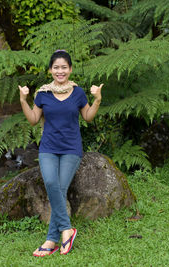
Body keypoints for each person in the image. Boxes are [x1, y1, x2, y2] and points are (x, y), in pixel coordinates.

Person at [19, 50, 103, 257]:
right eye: (56, 67)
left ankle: (50, 240)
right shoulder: (43, 94)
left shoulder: (77, 93)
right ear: (50, 70)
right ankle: (67, 230)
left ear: (70, 69)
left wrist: (97, 100)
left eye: (64, 67)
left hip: (71, 149)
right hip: (48, 148)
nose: (60, 71)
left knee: (60, 188)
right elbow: (32, 119)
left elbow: (88, 116)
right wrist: (23, 100)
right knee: (51, 183)